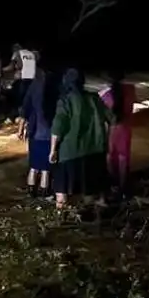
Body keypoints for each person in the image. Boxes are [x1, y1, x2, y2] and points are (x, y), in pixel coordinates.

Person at [49, 68, 114, 209]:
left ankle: (61, 212)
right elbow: (111, 119)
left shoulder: (65, 101)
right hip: (94, 150)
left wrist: (53, 150)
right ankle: (95, 213)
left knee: (62, 186)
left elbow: (58, 126)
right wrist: (105, 141)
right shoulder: (95, 98)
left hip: (70, 152)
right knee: (92, 187)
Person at [17, 65, 60, 197]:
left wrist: (20, 130)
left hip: (35, 132)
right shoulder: (56, 89)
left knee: (34, 166)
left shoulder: (34, 86)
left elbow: (25, 109)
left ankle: (30, 192)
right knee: (46, 169)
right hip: (50, 134)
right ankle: (44, 193)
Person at [99, 70, 136, 195]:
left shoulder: (105, 95)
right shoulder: (131, 90)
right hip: (125, 127)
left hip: (112, 128)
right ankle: (123, 186)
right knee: (123, 157)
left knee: (111, 156)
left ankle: (113, 184)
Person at [4, 43, 37, 114]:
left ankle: (16, 116)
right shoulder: (31, 54)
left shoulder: (17, 53)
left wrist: (1, 69)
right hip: (33, 79)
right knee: (28, 99)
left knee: (16, 98)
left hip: (23, 78)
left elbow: (12, 66)